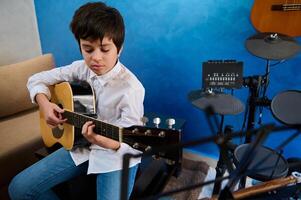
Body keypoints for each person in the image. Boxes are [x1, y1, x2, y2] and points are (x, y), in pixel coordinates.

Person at [8, 2, 144, 200]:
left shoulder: (132, 88)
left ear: (119, 48)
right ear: (80, 46)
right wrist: (45, 104)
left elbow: (133, 144)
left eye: (105, 49)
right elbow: (35, 79)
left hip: (115, 156)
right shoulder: (79, 69)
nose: (96, 58)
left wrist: (105, 141)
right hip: (80, 147)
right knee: (18, 189)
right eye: (88, 49)